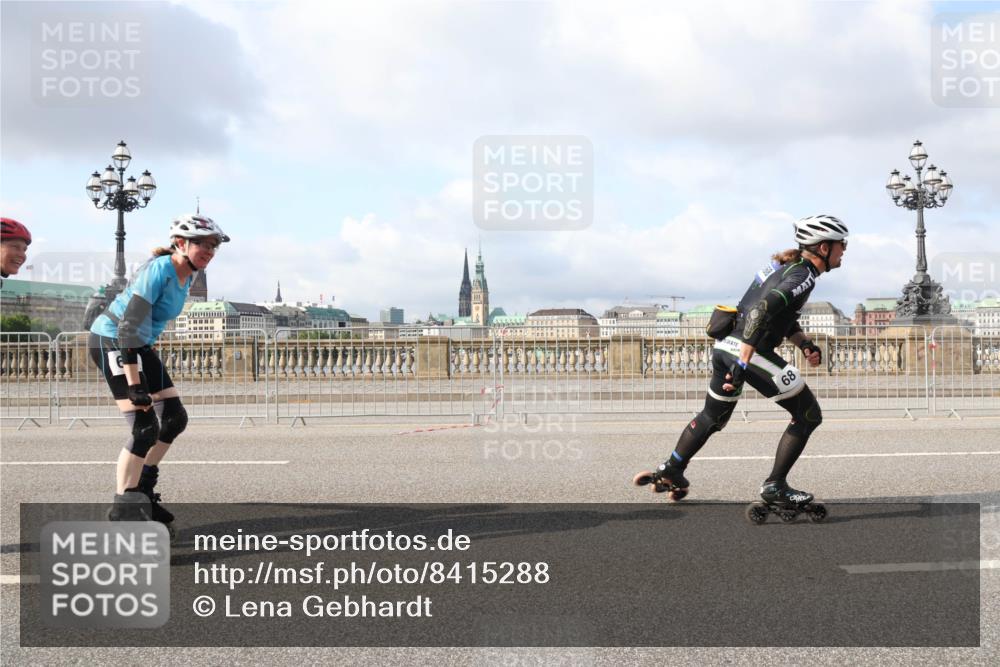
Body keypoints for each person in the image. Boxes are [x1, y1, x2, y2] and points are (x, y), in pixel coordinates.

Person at [634, 214, 849, 508]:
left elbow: (778, 317)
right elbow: (762, 310)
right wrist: (744, 361)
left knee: (713, 416)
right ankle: (775, 486)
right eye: (841, 244)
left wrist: (804, 344)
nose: (844, 250)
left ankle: (672, 469)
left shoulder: (784, 266)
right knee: (808, 414)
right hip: (748, 352)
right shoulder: (804, 275)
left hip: (725, 345)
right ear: (824, 248)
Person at [89, 213, 230, 533]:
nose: (208, 250)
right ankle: (124, 508)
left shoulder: (188, 274)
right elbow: (128, 325)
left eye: (213, 245)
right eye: (201, 244)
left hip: (137, 343)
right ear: (180, 243)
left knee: (174, 418)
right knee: (144, 427)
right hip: (113, 339)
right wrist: (136, 382)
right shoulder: (161, 269)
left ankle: (143, 491)